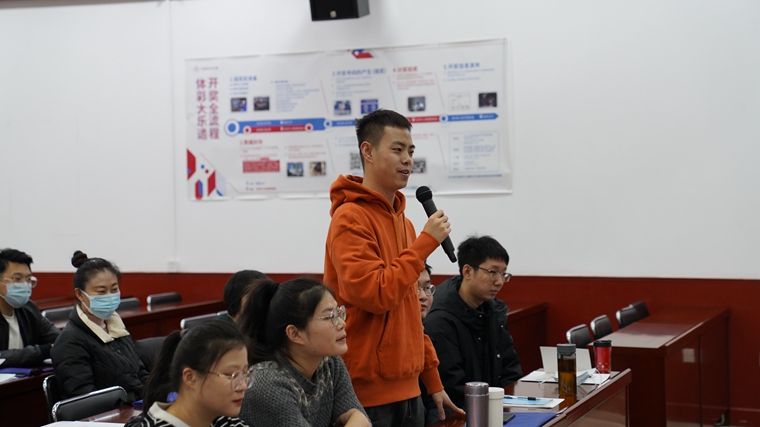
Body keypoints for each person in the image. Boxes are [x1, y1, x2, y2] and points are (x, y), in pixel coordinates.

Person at [323, 108, 462, 427]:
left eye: (410, 151)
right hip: (364, 395)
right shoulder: (349, 218)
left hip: (409, 389)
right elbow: (375, 295)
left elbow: (411, 311)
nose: (407, 160)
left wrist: (432, 380)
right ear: (368, 151)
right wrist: (426, 243)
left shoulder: (406, 225)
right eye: (397, 149)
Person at [237, 277, 370, 427]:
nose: (342, 323)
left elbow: (362, 420)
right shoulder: (267, 384)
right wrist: (357, 420)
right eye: (330, 317)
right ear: (295, 334)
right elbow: (359, 420)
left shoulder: (330, 363)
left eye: (339, 313)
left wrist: (358, 419)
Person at [422, 236, 523, 418]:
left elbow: (510, 369)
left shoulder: (493, 311)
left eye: (503, 274)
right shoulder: (440, 321)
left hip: (490, 409)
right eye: (493, 272)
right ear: (467, 271)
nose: (499, 281)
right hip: (457, 415)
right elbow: (452, 389)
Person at [51, 250, 149, 401]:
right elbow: (85, 398)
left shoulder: (117, 328)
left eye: (114, 290)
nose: (110, 296)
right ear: (80, 294)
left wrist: (156, 394)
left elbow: (139, 372)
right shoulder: (70, 342)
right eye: (101, 292)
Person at [126, 321, 252, 427]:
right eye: (230, 375)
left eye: (245, 374)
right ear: (190, 377)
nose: (243, 386)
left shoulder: (222, 420)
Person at [0, 248, 60, 367]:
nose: (24, 284)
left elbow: (61, 340)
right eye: (17, 279)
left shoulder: (29, 308)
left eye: (28, 279)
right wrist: (42, 351)